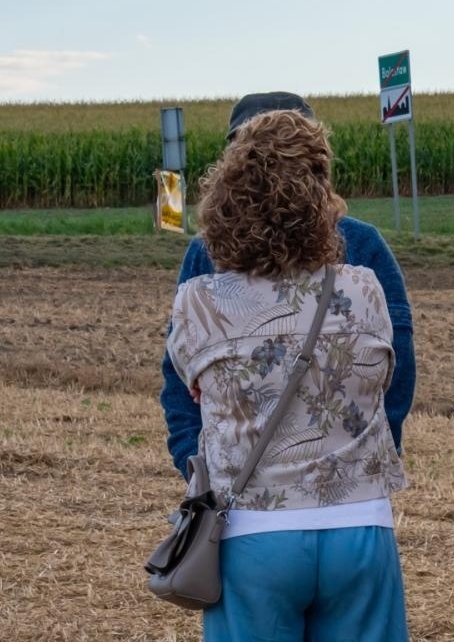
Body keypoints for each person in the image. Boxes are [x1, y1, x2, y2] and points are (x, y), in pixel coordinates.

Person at [164, 109, 427, 642]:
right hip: (358, 530)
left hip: (252, 540)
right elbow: (387, 380)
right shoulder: (363, 288)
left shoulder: (199, 301)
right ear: (322, 197)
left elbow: (194, 394)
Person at [161, 91, 415, 481]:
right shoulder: (203, 252)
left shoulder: (362, 246)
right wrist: (196, 465)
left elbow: (396, 370)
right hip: (312, 493)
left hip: (293, 490)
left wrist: (369, 452)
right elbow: (181, 381)